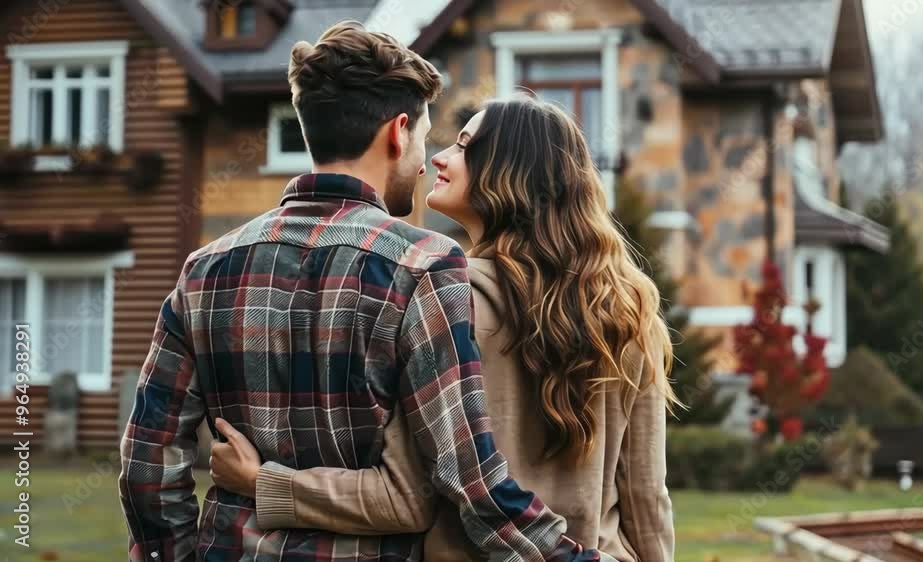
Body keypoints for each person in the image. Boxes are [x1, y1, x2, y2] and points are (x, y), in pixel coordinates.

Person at [118, 22, 603, 562]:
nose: (425, 163)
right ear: (398, 132)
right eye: (422, 139)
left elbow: (147, 464)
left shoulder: (203, 269)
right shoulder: (424, 265)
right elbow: (470, 478)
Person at [209, 97, 680, 562]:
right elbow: (646, 496)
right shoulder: (625, 306)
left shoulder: (444, 298)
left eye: (463, 145)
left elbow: (402, 497)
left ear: (508, 170)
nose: (438, 155)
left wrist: (263, 482)